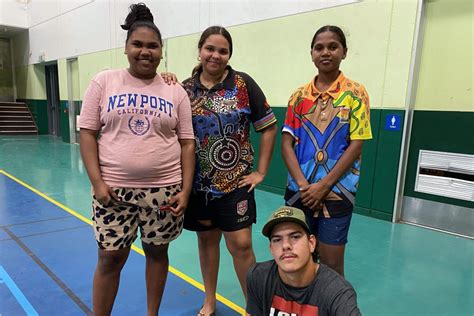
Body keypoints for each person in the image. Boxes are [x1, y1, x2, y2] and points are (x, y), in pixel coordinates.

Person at [78, 3, 195, 315]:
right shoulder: (104, 81)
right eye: (138, 44)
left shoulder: (176, 90)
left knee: (157, 253)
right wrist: (97, 183)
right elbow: (87, 133)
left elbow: (187, 143)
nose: (146, 51)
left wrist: (184, 190)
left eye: (153, 46)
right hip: (113, 191)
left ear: (161, 51)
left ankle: (152, 313)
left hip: (165, 191)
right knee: (110, 258)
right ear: (126, 47)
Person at [181, 26, 277, 316]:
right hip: (198, 186)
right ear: (200, 50)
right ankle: (210, 300)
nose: (216, 55)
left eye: (223, 51)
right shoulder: (184, 89)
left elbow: (269, 127)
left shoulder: (243, 84)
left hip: (236, 183)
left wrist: (260, 172)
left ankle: (255, 307)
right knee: (207, 242)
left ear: (229, 55)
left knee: (242, 244)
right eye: (210, 48)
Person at [281, 25, 372, 276]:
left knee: (331, 264)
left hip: (337, 192)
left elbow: (357, 144)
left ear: (344, 52)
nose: (326, 52)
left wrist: (324, 186)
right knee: (297, 258)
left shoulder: (355, 94)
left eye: (333, 46)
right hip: (299, 192)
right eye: (319, 47)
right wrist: (303, 185)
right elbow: (286, 144)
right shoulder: (298, 96)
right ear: (311, 53)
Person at [246, 206, 361, 316]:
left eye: (295, 237)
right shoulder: (258, 277)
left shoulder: (337, 293)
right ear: (271, 249)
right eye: (277, 240)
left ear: (311, 243)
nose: (286, 245)